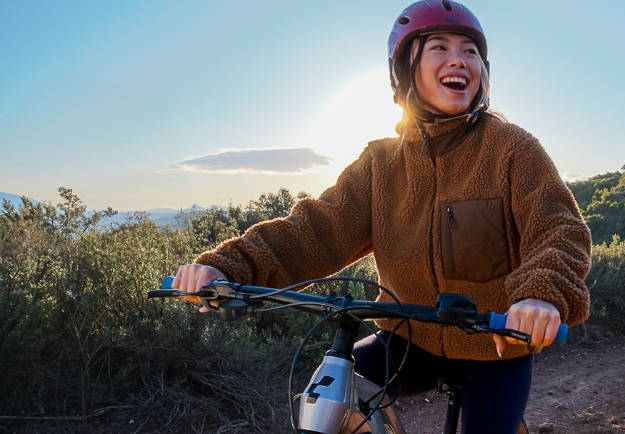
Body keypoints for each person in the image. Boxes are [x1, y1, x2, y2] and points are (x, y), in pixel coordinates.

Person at [171, 1, 592, 433]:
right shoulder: (380, 162)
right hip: (407, 335)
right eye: (439, 48)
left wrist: (540, 294)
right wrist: (224, 266)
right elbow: (317, 230)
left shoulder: (513, 149)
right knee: (330, 393)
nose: (459, 60)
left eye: (470, 51)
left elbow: (558, 229)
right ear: (405, 68)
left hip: (495, 345)